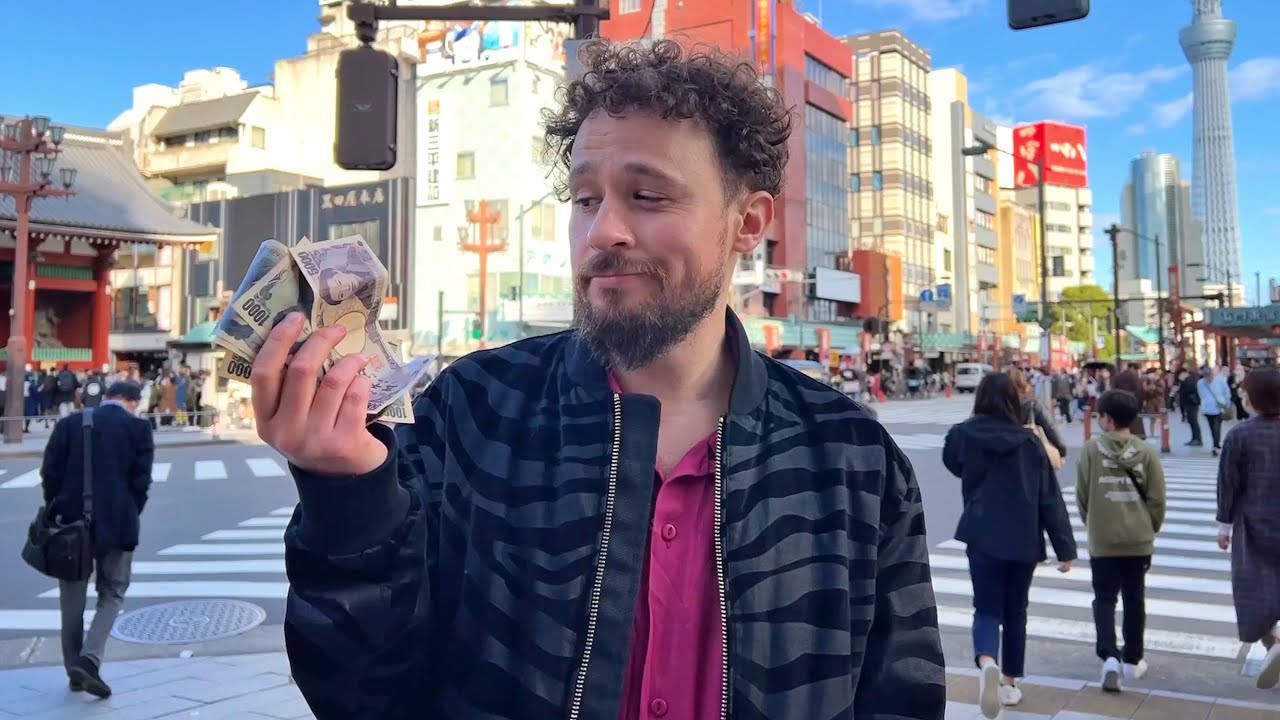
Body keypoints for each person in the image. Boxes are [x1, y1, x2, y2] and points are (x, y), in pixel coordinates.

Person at [251, 40, 945, 720]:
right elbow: (361, 696)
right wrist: (349, 500)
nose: (602, 232)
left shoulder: (852, 460)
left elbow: (902, 697)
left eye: (647, 196)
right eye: (585, 199)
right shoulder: (471, 414)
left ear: (748, 223)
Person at [943, 373, 1076, 718]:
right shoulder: (1029, 442)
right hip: (1023, 537)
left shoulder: (962, 434)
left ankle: (987, 659)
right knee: (1016, 612)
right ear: (1013, 401)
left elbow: (952, 463)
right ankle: (1009, 683)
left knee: (986, 608)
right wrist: (1065, 548)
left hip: (982, 532)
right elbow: (1049, 498)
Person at [39, 382, 153, 699]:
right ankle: (90, 659)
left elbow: (49, 473)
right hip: (119, 524)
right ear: (130, 401)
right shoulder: (138, 428)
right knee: (113, 592)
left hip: (70, 525)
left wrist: (58, 507)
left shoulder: (69, 424)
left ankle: (74, 669)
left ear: (107, 399)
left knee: (71, 601)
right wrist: (130, 512)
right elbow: (141, 482)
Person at [1076, 390, 1166, 693]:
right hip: (1137, 540)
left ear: (1108, 419)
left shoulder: (1091, 450)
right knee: (1134, 598)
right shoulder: (1147, 452)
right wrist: (1148, 527)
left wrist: (1094, 524)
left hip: (1103, 539)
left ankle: (1109, 657)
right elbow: (1157, 499)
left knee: (1104, 599)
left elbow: (1082, 496)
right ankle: (1132, 659)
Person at [1217, 368, 1280, 690]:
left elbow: (1228, 484)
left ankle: (1274, 644)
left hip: (1253, 526)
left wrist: (1224, 526)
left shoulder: (1240, 435)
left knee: (1254, 594)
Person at [1006, 368, 1068, 462]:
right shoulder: (1033, 406)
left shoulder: (993, 409)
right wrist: (1061, 452)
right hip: (1031, 463)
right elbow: (1054, 435)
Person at [1198, 366, 1230, 455]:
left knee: (1217, 427)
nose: (1208, 378)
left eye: (1209, 376)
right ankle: (1216, 443)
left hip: (1218, 408)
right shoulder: (1200, 383)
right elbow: (1201, 395)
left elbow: (1226, 393)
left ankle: (1215, 445)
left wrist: (1227, 403)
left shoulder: (1220, 381)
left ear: (1212, 374)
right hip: (1208, 409)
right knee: (1212, 427)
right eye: (1206, 376)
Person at [1178, 368, 1203, 446]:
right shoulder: (1190, 379)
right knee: (1192, 421)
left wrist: (1182, 383)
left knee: (1193, 421)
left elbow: (1188, 390)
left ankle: (1197, 439)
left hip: (1191, 403)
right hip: (1190, 403)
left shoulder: (1189, 380)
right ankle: (1195, 438)